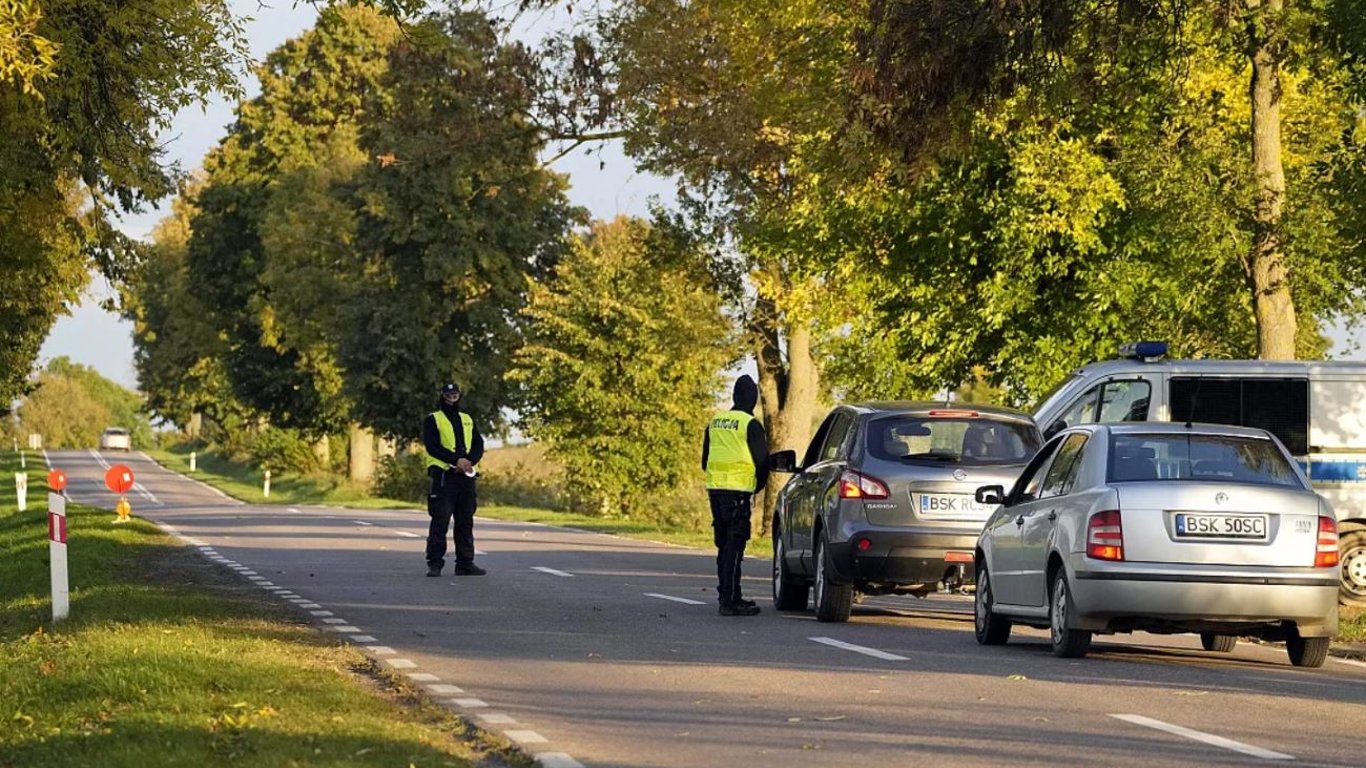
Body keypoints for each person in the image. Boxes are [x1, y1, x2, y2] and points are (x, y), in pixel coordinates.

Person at [700, 375, 769, 616]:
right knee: (735, 544)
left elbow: (704, 460)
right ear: (752, 399)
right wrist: (757, 486)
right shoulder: (750, 424)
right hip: (738, 493)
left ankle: (727, 595)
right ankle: (729, 601)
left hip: (716, 491)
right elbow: (762, 463)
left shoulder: (715, 422)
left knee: (723, 544)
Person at [422, 381, 486, 577]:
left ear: (459, 396)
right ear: (442, 396)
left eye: (455, 395)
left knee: (466, 520)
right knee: (440, 520)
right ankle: (435, 563)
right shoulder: (433, 419)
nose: (452, 398)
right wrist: (455, 460)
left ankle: (465, 563)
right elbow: (433, 447)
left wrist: (469, 462)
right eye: (448, 395)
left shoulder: (467, 419)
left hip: (465, 476)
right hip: (444, 476)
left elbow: (478, 444)